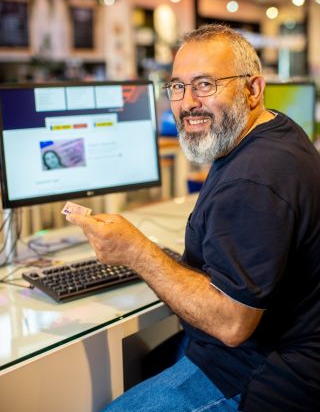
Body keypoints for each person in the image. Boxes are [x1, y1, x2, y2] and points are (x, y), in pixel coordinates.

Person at [66, 24, 320, 411]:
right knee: (144, 361)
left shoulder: (254, 178)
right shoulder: (271, 132)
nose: (187, 103)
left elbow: (231, 325)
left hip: (261, 373)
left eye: (204, 84)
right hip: (266, 349)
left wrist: (135, 251)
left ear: (253, 90)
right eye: (177, 87)